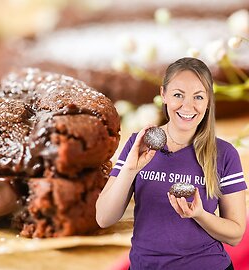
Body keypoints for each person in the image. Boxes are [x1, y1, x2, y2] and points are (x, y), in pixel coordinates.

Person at [96, 57, 247, 269]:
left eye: (198, 96)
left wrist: (200, 215)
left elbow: (236, 234)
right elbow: (103, 218)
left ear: (209, 100)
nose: (188, 106)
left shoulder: (224, 153)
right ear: (163, 94)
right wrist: (130, 170)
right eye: (178, 95)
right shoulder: (139, 144)